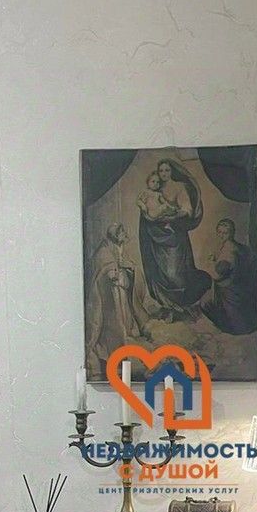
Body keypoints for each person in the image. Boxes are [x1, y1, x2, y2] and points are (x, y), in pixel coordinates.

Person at [138, 158, 211, 318]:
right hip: (156, 237)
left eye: (167, 170)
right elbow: (146, 208)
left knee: (174, 273)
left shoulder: (179, 187)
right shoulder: (155, 187)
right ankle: (170, 308)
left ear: (172, 172)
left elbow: (187, 210)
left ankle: (184, 306)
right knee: (159, 272)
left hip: (173, 236)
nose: (164, 174)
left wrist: (170, 217)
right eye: (161, 171)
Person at [85, 222, 153, 371]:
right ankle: (111, 352)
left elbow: (126, 264)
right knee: (114, 323)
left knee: (125, 320)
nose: (125, 237)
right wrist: (112, 272)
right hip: (110, 294)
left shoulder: (118, 247)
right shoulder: (104, 250)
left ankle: (125, 343)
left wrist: (131, 269)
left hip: (120, 291)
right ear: (116, 234)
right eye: (122, 234)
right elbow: (102, 269)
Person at [200, 218, 257, 336]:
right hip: (236, 287)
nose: (222, 235)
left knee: (205, 304)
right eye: (220, 232)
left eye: (225, 233)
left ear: (232, 233)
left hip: (230, 291)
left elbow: (218, 275)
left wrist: (210, 264)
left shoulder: (229, 251)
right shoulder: (236, 247)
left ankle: (228, 327)